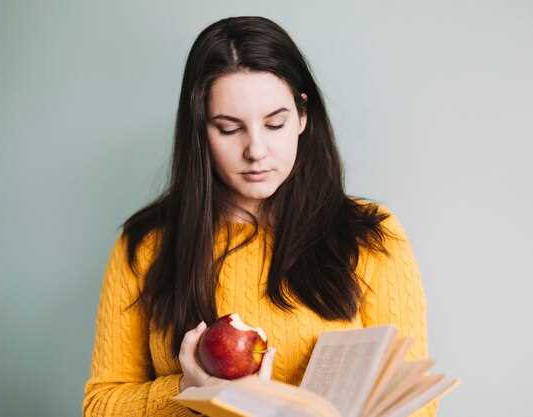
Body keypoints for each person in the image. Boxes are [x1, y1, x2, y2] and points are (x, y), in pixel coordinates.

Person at [82, 16, 438, 417]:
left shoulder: (370, 236)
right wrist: (188, 392)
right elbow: (100, 406)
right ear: (200, 130)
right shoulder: (147, 245)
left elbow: (416, 405)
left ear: (303, 116)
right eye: (229, 129)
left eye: (274, 124)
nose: (256, 150)